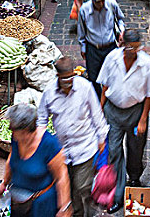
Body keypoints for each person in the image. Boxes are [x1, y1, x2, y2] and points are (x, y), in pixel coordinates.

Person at [97, 29, 150, 213]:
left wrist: (143, 119)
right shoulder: (112, 59)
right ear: (121, 44)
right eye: (128, 48)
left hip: (135, 113)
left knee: (136, 148)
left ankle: (134, 177)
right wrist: (101, 111)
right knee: (114, 151)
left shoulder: (146, 63)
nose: (132, 51)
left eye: (135, 48)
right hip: (114, 112)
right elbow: (105, 86)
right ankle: (118, 195)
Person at [38, 57, 109, 217]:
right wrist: (40, 141)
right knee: (67, 188)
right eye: (65, 80)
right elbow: (42, 119)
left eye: (71, 78)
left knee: (81, 187)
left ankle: (87, 211)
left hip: (85, 148)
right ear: (58, 77)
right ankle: (77, 212)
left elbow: (96, 114)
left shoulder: (85, 88)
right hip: (62, 152)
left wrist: (101, 139)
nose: (69, 83)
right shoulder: (49, 92)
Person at [0, 103, 72, 217]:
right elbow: (11, 159)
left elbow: (62, 177)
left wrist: (64, 208)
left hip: (41, 204)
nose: (12, 132)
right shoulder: (17, 138)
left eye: (14, 129)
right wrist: (4, 183)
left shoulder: (49, 144)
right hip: (18, 202)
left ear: (26, 130)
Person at [78, 0, 125, 97]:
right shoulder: (84, 9)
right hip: (93, 47)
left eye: (102, 1)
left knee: (113, 74)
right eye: (97, 2)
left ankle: (111, 97)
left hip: (110, 46)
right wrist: (83, 47)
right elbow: (81, 30)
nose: (100, 4)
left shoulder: (112, 4)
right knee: (94, 77)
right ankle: (98, 100)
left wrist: (122, 31)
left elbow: (120, 19)